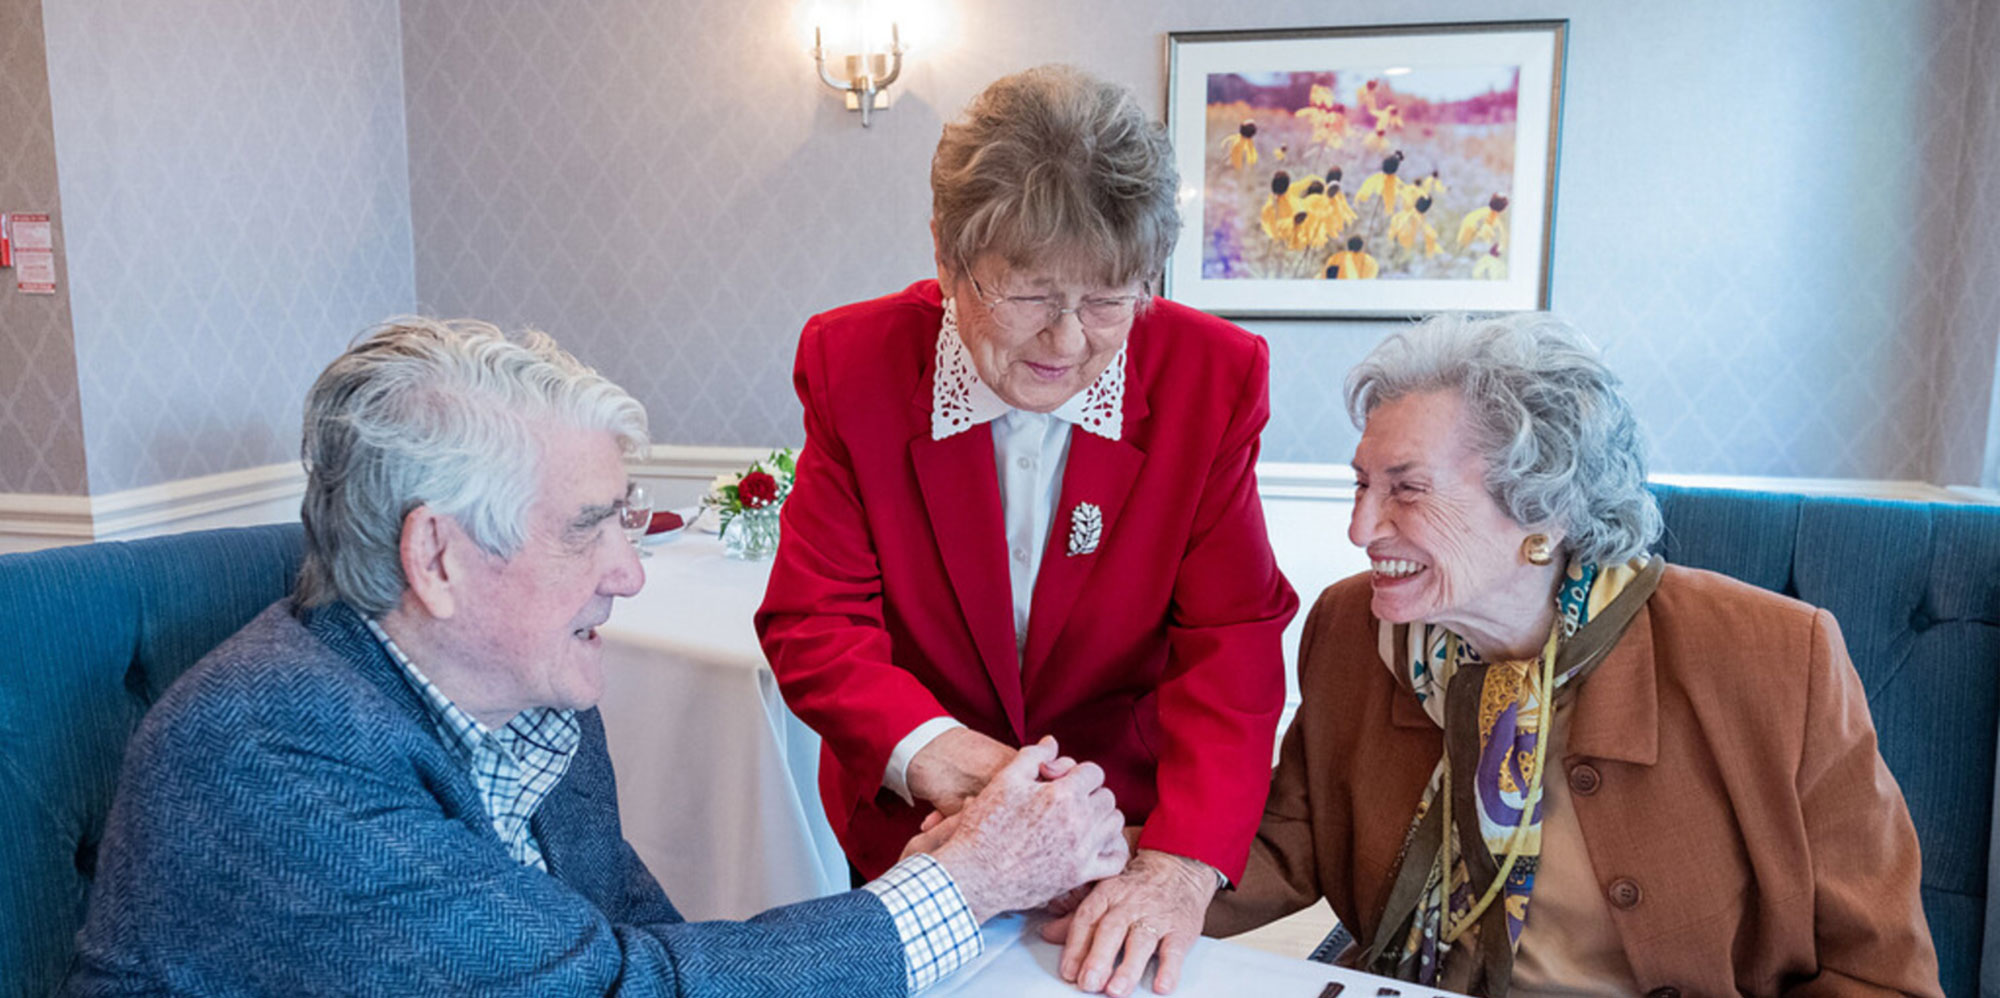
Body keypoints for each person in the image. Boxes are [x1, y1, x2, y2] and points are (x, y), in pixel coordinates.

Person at [62, 318, 1130, 997]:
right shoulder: (272, 757)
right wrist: (963, 877)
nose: (629, 571)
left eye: (628, 520)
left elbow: (636, 941)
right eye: (588, 526)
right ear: (436, 555)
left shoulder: (529, 698)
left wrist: (936, 883)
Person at [755, 64, 1298, 997]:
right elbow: (816, 623)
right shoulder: (854, 363)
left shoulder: (1213, 377)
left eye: (1107, 296)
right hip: (926, 827)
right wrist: (964, 776)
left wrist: (1178, 864)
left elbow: (1230, 638)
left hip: (1125, 834)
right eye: (1031, 293)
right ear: (946, 254)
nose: (1068, 340)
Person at [1202, 313, 1943, 996]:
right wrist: (1120, 869)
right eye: (1362, 485)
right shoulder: (1354, 630)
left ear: (1545, 509)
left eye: (1408, 490)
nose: (1361, 528)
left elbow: (1877, 971)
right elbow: (1287, 835)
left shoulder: (1779, 657)